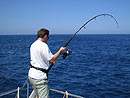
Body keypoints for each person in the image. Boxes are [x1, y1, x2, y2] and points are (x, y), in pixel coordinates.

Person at [28, 28, 66, 98]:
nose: (48, 38)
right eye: (48, 36)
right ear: (45, 36)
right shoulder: (43, 45)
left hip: (32, 76)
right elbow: (52, 60)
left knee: (37, 96)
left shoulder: (33, 44)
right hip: (40, 78)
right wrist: (60, 51)